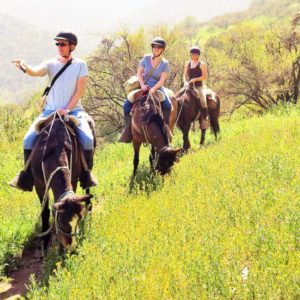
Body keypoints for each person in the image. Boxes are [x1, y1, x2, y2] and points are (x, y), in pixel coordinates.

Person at [10, 30, 97, 191]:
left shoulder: (80, 64)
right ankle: (26, 176)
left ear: (72, 46)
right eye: (57, 44)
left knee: (87, 139)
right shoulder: (51, 64)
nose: (59, 46)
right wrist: (24, 66)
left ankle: (86, 175)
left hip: (74, 111)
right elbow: (35, 72)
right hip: (49, 112)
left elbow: (80, 91)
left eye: (62, 44)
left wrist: (67, 108)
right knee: (28, 140)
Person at [119, 37, 172, 143]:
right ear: (152, 47)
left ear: (163, 49)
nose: (156, 48)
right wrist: (142, 85)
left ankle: (165, 129)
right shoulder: (146, 58)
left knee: (167, 105)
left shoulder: (165, 63)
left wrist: (154, 89)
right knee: (126, 106)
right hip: (143, 87)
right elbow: (139, 73)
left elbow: (162, 80)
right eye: (154, 46)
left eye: (159, 47)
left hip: (157, 88)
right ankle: (128, 129)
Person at [183, 46, 208, 130]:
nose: (194, 55)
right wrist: (185, 81)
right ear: (190, 54)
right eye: (192, 54)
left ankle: (205, 119)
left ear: (198, 54)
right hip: (189, 86)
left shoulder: (202, 64)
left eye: (195, 54)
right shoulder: (188, 63)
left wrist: (195, 79)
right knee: (179, 97)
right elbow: (185, 74)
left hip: (199, 86)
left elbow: (204, 76)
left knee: (203, 101)